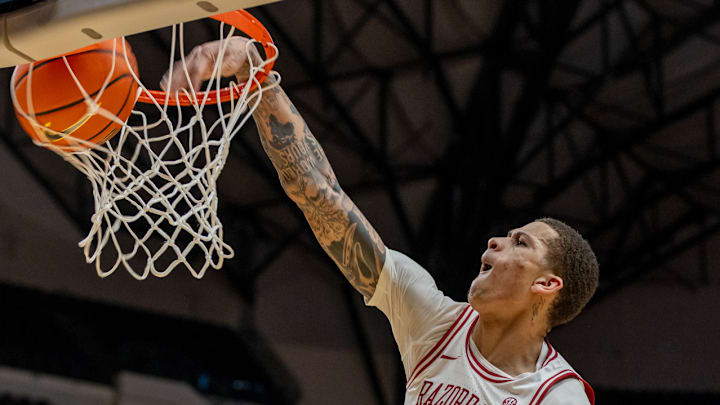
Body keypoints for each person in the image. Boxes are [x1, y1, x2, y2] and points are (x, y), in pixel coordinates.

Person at [162, 37, 599, 405]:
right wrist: (256, 77)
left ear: (546, 284)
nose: (494, 243)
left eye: (520, 243)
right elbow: (318, 194)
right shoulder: (433, 321)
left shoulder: (556, 397)